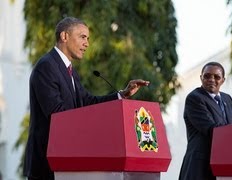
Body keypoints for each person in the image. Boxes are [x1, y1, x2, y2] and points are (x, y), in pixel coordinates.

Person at [23, 17, 150, 180]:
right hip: (48, 166)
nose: (87, 43)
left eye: (88, 38)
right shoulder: (46, 66)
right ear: (64, 36)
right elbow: (58, 115)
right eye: (82, 37)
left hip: (67, 163)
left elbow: (87, 102)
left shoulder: (70, 70)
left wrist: (121, 95)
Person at [179, 62, 232, 180]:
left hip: (224, 164)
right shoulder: (195, 98)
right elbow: (212, 129)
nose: (211, 80)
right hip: (200, 166)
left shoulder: (227, 99)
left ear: (223, 80)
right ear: (201, 78)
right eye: (207, 76)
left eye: (216, 77)